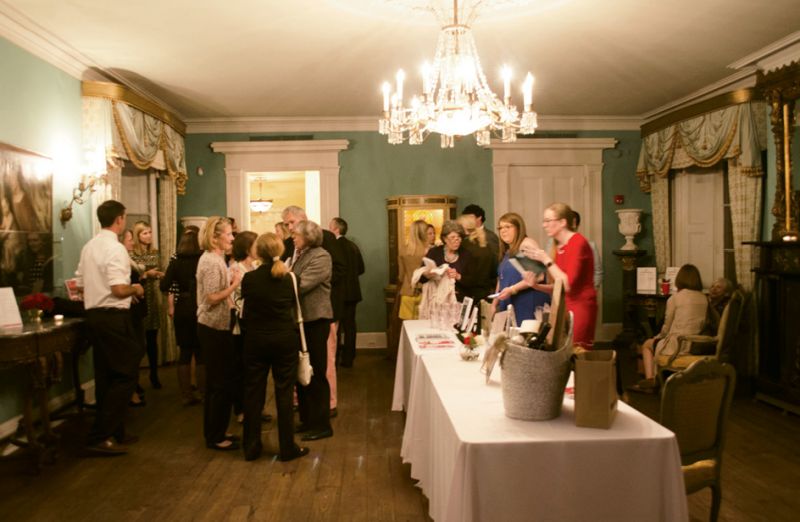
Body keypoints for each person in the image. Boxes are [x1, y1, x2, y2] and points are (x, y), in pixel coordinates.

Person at [75, 200, 144, 455]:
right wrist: (135, 288)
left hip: (93, 315)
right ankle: (99, 435)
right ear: (119, 220)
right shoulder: (115, 249)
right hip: (113, 317)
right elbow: (118, 289)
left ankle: (114, 432)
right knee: (126, 374)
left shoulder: (89, 247)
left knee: (106, 376)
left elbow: (80, 285)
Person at [241, 232, 309, 462]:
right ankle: (287, 448)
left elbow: (247, 313)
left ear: (258, 252)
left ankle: (251, 447)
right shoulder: (290, 279)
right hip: (284, 339)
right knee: (284, 393)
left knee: (253, 393)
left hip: (256, 340)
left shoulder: (249, 279)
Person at [282, 205, 345, 417]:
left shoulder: (323, 243)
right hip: (298, 316)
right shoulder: (288, 243)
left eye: (292, 223)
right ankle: (305, 407)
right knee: (302, 363)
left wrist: (319, 289)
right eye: (286, 224)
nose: (289, 228)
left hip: (320, 311)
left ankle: (328, 406)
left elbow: (338, 270)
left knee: (323, 364)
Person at [196, 216, 242, 451]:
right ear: (215, 237)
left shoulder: (215, 258)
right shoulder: (212, 261)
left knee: (220, 383)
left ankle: (217, 431)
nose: (233, 237)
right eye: (229, 233)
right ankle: (215, 436)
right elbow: (211, 297)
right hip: (213, 328)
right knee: (219, 384)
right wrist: (235, 283)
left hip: (217, 326)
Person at [525, 203, 597, 349]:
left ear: (563, 222)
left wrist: (546, 260)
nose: (544, 225)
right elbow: (559, 286)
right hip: (565, 306)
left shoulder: (578, 243)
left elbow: (567, 285)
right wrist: (535, 286)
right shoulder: (560, 246)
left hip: (581, 307)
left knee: (576, 354)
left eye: (548, 220)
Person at [631, 264, 708, 392]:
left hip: (677, 344)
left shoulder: (675, 298)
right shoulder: (704, 298)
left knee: (646, 345)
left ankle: (651, 380)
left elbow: (666, 327)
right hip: (696, 343)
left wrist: (657, 337)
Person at [290, 220, 334, 441]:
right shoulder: (300, 254)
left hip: (316, 321)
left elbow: (300, 284)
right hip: (302, 322)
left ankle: (321, 424)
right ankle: (307, 420)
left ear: (308, 237)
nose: (293, 237)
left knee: (315, 372)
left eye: (296, 234)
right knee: (302, 372)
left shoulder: (321, 256)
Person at [160, 226, 203, 406]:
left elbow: (164, 285)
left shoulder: (176, 261)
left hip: (182, 307)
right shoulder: (202, 258)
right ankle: (203, 391)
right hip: (200, 306)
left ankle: (186, 395)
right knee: (201, 352)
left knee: (185, 352)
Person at [493, 212, 550, 326]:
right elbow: (502, 278)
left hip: (528, 303)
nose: (503, 231)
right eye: (500, 228)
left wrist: (512, 289)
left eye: (508, 227)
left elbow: (538, 276)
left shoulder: (525, 245)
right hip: (511, 303)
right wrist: (495, 302)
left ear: (518, 228)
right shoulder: (508, 250)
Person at [130, 221, 164, 389]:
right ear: (137, 236)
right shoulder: (131, 254)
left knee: (152, 341)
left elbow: (159, 269)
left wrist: (157, 274)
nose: (149, 235)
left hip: (153, 298)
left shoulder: (155, 253)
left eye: (150, 232)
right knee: (138, 342)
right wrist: (146, 274)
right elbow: (132, 276)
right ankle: (135, 380)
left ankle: (154, 374)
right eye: (144, 233)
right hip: (139, 300)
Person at [229, 231, 259, 423]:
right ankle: (241, 410)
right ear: (248, 248)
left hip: (255, 323)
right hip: (240, 324)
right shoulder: (235, 269)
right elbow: (232, 298)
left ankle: (254, 408)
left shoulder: (256, 267)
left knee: (254, 369)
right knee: (241, 368)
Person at [389, 219, 429, 355]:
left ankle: (407, 356)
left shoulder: (404, 250)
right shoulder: (428, 250)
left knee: (407, 328)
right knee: (424, 328)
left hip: (407, 290)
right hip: (425, 291)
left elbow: (400, 275)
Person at [329, 217, 365, 368]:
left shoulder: (332, 246)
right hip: (353, 292)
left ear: (337, 229)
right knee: (350, 326)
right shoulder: (353, 246)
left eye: (331, 226)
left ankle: (335, 358)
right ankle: (349, 358)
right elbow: (362, 269)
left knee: (335, 327)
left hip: (338, 292)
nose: (329, 228)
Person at [121, 229, 147, 408]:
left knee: (139, 348)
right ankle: (130, 392)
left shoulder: (129, 259)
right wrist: (134, 288)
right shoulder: (121, 260)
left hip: (137, 310)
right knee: (133, 351)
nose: (132, 243)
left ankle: (133, 386)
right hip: (129, 311)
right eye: (129, 240)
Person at [420, 220, 473, 302]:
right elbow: (422, 279)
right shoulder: (434, 253)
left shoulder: (466, 255)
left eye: (459, 237)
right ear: (445, 239)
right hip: (436, 302)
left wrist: (458, 276)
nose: (457, 240)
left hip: (459, 302)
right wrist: (428, 274)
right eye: (452, 237)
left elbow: (473, 282)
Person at [457, 214, 498, 305]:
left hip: (468, 294)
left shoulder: (463, 246)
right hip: (485, 292)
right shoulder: (485, 245)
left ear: (463, 229)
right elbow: (494, 271)